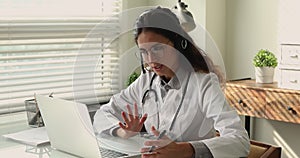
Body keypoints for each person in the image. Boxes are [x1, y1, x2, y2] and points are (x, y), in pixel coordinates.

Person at [93, 6, 250, 158]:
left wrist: (186, 150)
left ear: (178, 44)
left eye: (157, 49)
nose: (151, 60)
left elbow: (240, 140)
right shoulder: (146, 81)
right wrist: (123, 132)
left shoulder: (204, 83)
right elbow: (102, 114)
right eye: (144, 52)